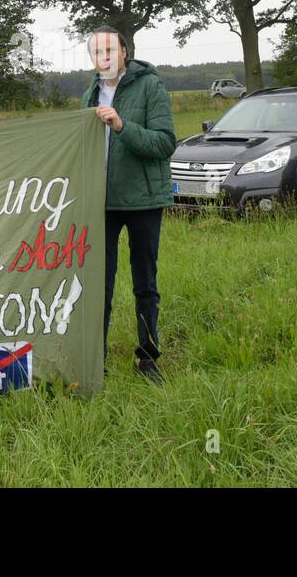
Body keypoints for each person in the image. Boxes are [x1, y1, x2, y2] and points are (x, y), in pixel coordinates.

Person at [82, 26, 175, 383]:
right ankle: (96, 361)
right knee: (99, 283)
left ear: (124, 52)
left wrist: (121, 126)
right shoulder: (90, 94)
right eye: (97, 52)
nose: (104, 57)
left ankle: (148, 360)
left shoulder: (150, 86)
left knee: (144, 281)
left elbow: (165, 143)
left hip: (143, 201)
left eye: (110, 50)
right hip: (101, 203)